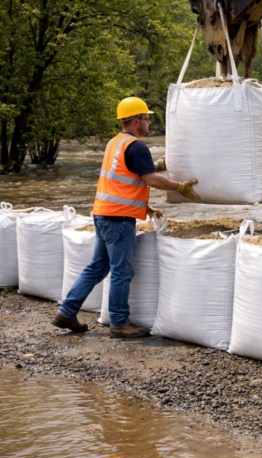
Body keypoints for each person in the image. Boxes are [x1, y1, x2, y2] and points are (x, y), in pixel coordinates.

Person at [51, 97, 200, 338]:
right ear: (135, 121)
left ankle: (66, 312)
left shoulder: (116, 142)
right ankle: (120, 323)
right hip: (118, 219)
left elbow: (125, 178)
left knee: (96, 268)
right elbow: (150, 179)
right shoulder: (137, 146)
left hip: (103, 213)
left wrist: (145, 204)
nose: (149, 122)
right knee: (122, 271)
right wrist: (179, 187)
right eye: (146, 117)